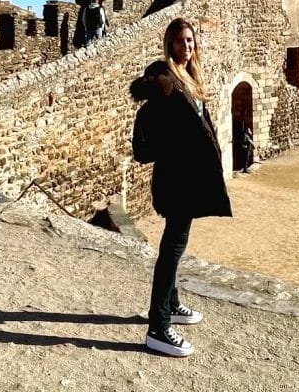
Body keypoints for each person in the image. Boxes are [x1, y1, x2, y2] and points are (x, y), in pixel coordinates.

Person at [128, 18, 231, 357]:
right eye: (179, 41)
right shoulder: (166, 82)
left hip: (188, 176)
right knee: (172, 249)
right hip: (176, 178)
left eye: (190, 40)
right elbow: (151, 119)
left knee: (176, 244)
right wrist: (173, 150)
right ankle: (158, 328)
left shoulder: (189, 77)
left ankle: (171, 305)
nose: (186, 46)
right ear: (169, 44)